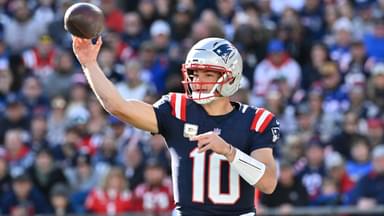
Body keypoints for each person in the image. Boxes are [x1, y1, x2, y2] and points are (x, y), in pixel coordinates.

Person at [72, 36, 280, 215]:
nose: (199, 80)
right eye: (195, 74)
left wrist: (229, 151)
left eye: (208, 74)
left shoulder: (255, 120)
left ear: (230, 77)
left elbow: (268, 183)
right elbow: (118, 107)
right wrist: (89, 64)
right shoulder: (177, 109)